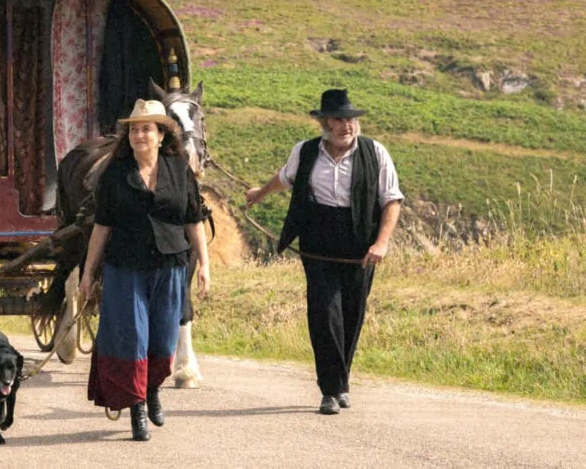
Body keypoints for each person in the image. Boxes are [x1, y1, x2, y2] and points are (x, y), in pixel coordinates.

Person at [245, 89, 403, 415]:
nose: (347, 125)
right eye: (340, 119)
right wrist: (260, 193)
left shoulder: (375, 154)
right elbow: (285, 178)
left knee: (351, 314)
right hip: (318, 242)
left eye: (351, 119)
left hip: (361, 243)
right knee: (323, 312)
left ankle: (341, 380)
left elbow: (391, 200)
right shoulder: (304, 152)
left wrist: (381, 243)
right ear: (325, 123)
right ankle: (330, 390)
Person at [77, 99, 212, 442]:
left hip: (170, 265)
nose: (140, 134)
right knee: (133, 338)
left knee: (165, 340)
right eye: (135, 129)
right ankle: (137, 407)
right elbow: (102, 226)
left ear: (162, 135)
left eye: (147, 128)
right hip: (125, 267)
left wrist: (205, 265)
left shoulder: (179, 170)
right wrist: (88, 273)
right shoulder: (115, 174)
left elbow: (194, 219)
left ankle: (152, 389)